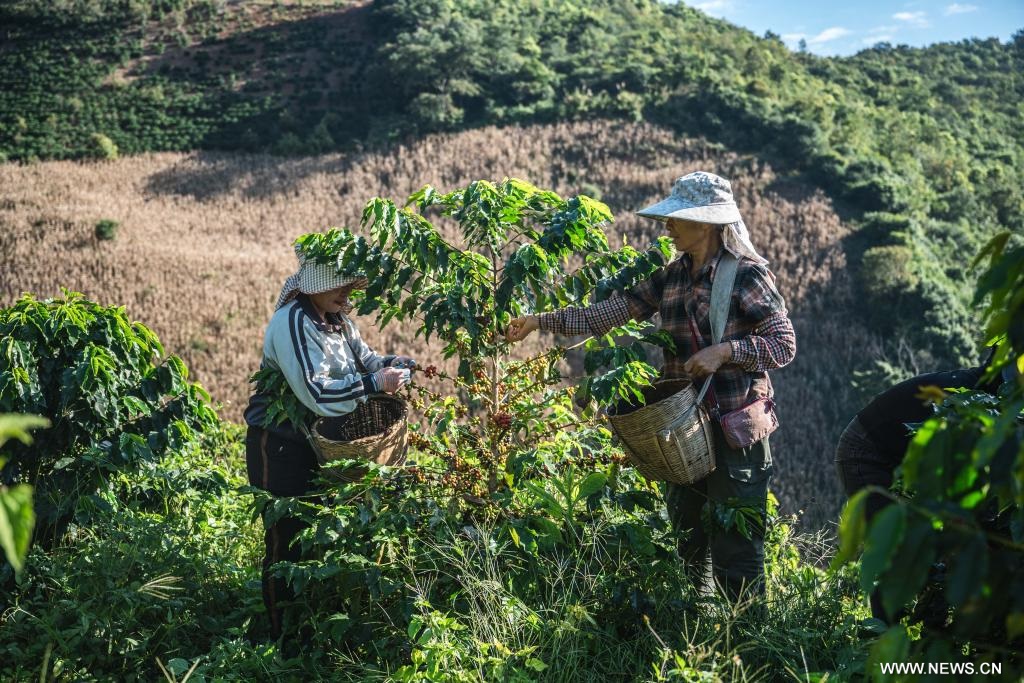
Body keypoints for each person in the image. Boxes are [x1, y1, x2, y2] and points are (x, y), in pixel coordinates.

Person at [506, 171, 796, 599]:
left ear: (707, 224)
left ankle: (750, 645)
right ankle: (695, 634)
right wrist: (539, 321)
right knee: (689, 540)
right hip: (685, 430)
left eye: (678, 217)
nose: (668, 225)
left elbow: (783, 344)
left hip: (734, 430)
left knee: (738, 548)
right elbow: (606, 314)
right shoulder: (672, 277)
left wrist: (725, 352)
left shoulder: (747, 277)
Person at [243, 243, 416, 640]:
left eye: (351, 286)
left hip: (316, 441)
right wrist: (376, 383)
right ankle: (280, 640)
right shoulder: (293, 322)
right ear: (314, 285)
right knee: (286, 540)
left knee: (319, 535)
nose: (348, 294)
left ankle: (311, 627)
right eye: (340, 285)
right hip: (280, 443)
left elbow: (367, 362)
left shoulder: (337, 320)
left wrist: (396, 365)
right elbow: (317, 394)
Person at [834, 354, 1011, 622]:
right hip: (867, 452)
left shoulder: (992, 405)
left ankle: (928, 631)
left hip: (902, 459)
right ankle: (885, 641)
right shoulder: (972, 404)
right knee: (895, 552)